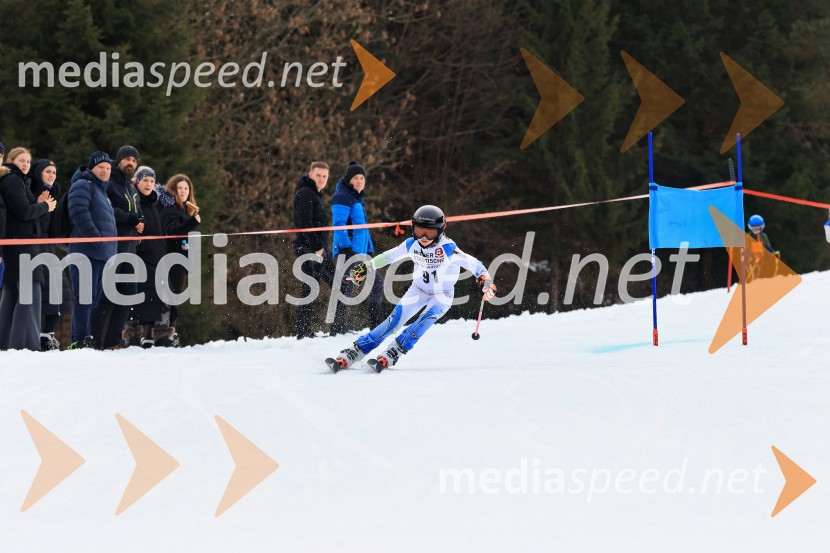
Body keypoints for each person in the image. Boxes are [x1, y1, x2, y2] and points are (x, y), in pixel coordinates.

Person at [328, 205, 496, 371]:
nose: (423, 236)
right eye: (419, 230)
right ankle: (356, 351)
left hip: (442, 295)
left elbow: (476, 265)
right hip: (418, 290)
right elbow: (389, 256)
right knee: (393, 322)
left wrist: (485, 280)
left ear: (440, 230)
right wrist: (367, 266)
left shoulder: (448, 248)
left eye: (429, 232)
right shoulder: (411, 244)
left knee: (423, 321)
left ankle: (394, 351)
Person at [0, 147, 57, 350]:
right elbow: (23, 212)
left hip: (15, 244)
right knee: (29, 295)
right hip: (21, 246)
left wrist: (38, 203)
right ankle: (26, 346)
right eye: (21, 160)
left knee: (12, 295)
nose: (25, 164)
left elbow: (21, 212)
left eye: (28, 161)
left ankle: (6, 344)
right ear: (11, 160)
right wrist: (45, 207)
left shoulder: (14, 180)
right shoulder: (13, 180)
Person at [91, 145, 143, 349]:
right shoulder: (109, 182)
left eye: (134, 160)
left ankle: (113, 341)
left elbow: (136, 212)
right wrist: (130, 219)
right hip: (113, 246)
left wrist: (139, 221)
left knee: (128, 295)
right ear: (119, 161)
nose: (131, 163)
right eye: (127, 159)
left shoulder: (131, 188)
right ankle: (94, 342)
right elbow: (105, 208)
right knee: (105, 296)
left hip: (131, 248)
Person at [67, 151, 117, 349]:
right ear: (91, 168)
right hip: (85, 251)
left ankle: (79, 337)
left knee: (93, 298)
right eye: (101, 167)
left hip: (102, 253)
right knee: (85, 296)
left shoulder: (102, 192)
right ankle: (80, 339)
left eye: (108, 168)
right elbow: (78, 212)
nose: (105, 171)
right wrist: (96, 238)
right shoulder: (83, 185)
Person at [330, 161, 384, 334]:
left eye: (362, 178)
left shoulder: (357, 198)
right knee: (348, 287)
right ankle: (338, 328)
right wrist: (347, 249)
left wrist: (368, 249)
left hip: (360, 252)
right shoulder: (343, 197)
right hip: (349, 252)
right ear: (349, 180)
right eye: (356, 178)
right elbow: (339, 224)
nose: (360, 181)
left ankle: (374, 326)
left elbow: (362, 228)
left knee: (373, 284)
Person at [30, 159, 74, 350]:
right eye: (48, 171)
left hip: (49, 247)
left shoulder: (54, 193)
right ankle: (33, 336)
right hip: (32, 248)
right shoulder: (30, 192)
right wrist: (39, 205)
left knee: (61, 295)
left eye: (54, 172)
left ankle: (46, 336)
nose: (51, 175)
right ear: (39, 173)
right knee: (33, 297)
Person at [292, 160, 339, 339]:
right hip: (309, 249)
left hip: (318, 249)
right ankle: (303, 332)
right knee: (312, 288)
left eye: (324, 176)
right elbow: (305, 224)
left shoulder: (315, 194)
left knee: (326, 285)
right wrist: (318, 247)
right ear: (310, 174)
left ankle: (309, 330)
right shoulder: (305, 193)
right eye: (318, 175)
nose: (321, 179)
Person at [124, 166, 169, 347]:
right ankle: (132, 338)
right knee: (138, 300)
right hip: (139, 259)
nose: (149, 184)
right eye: (145, 180)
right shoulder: (134, 201)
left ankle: (154, 336)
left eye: (151, 181)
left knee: (157, 299)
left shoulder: (153, 203)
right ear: (136, 181)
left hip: (157, 258)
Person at [160, 174, 201, 345]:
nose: (183, 191)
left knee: (175, 298)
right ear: (173, 190)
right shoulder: (170, 209)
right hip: (171, 259)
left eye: (186, 188)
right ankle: (165, 334)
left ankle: (170, 332)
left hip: (182, 260)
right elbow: (172, 232)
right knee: (171, 298)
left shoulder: (184, 210)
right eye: (180, 188)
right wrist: (192, 223)